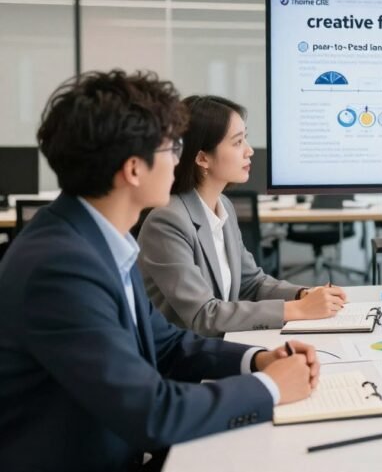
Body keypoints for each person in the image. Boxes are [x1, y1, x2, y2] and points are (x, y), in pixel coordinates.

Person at [0, 71, 319, 472]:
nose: (178, 160)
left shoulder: (100, 238)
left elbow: (167, 344)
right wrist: (270, 388)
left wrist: (259, 360)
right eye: (172, 148)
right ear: (134, 169)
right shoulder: (60, 266)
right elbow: (153, 413)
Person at [138, 95, 346, 336]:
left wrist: (303, 294)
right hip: (184, 363)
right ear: (202, 157)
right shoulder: (167, 221)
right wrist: (298, 309)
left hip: (222, 346)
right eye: (237, 142)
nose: (249, 151)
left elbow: (252, 283)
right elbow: (204, 315)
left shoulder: (222, 205)